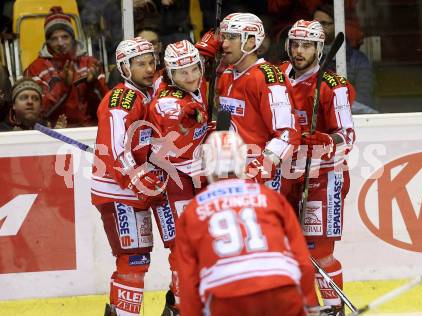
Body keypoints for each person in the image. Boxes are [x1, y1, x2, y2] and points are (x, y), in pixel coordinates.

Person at [175, 130, 317, 316]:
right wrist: (309, 305)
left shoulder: (192, 211)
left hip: (227, 298)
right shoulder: (271, 198)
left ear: (207, 164)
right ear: (242, 160)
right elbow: (303, 262)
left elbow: (188, 281)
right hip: (281, 291)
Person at [91, 37, 176, 316]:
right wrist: (137, 178)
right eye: (140, 64)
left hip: (151, 185)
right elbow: (116, 150)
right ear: (124, 68)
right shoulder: (122, 100)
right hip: (120, 190)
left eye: (152, 61)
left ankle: (179, 305)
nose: (149, 68)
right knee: (134, 259)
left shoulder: (152, 92)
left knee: (183, 247)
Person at [280, 20, 356, 315]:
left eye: (307, 45)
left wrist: (324, 138)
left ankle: (335, 308)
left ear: (319, 48)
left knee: (318, 252)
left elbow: (347, 136)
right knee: (289, 251)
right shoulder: (277, 76)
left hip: (325, 175)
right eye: (295, 44)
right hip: (288, 174)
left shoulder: (333, 86)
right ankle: (308, 308)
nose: (299, 51)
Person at [147, 39, 209, 315]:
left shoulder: (194, 88)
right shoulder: (167, 101)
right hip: (171, 182)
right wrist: (190, 117)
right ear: (170, 75)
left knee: (201, 245)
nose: (191, 75)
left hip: (193, 177)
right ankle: (182, 307)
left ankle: (177, 304)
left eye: (195, 68)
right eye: (183, 72)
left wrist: (212, 39)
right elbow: (172, 118)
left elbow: (201, 52)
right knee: (182, 248)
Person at [216, 12, 301, 193]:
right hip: (230, 175)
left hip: (262, 180)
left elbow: (287, 134)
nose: (224, 43)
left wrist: (255, 171)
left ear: (251, 41)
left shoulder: (268, 77)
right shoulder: (226, 74)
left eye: (232, 37)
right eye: (223, 37)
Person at [24, 6, 108, 127]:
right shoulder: (35, 69)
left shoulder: (90, 64)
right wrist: (63, 86)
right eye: (54, 39)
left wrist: (93, 84)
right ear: (47, 42)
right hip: (56, 133)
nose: (60, 43)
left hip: (90, 130)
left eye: (65, 37)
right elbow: (39, 112)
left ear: (73, 38)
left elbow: (108, 107)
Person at [313, 4, 378, 114]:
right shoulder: (306, 58)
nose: (317, 28)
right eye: (314, 24)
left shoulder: (358, 61)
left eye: (323, 24)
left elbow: (364, 100)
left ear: (338, 25)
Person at [0, 78, 67, 131]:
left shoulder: (47, 128)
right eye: (24, 98)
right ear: (14, 105)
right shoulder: (3, 131)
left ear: (40, 106)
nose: (30, 102)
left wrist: (57, 139)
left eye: (35, 98)